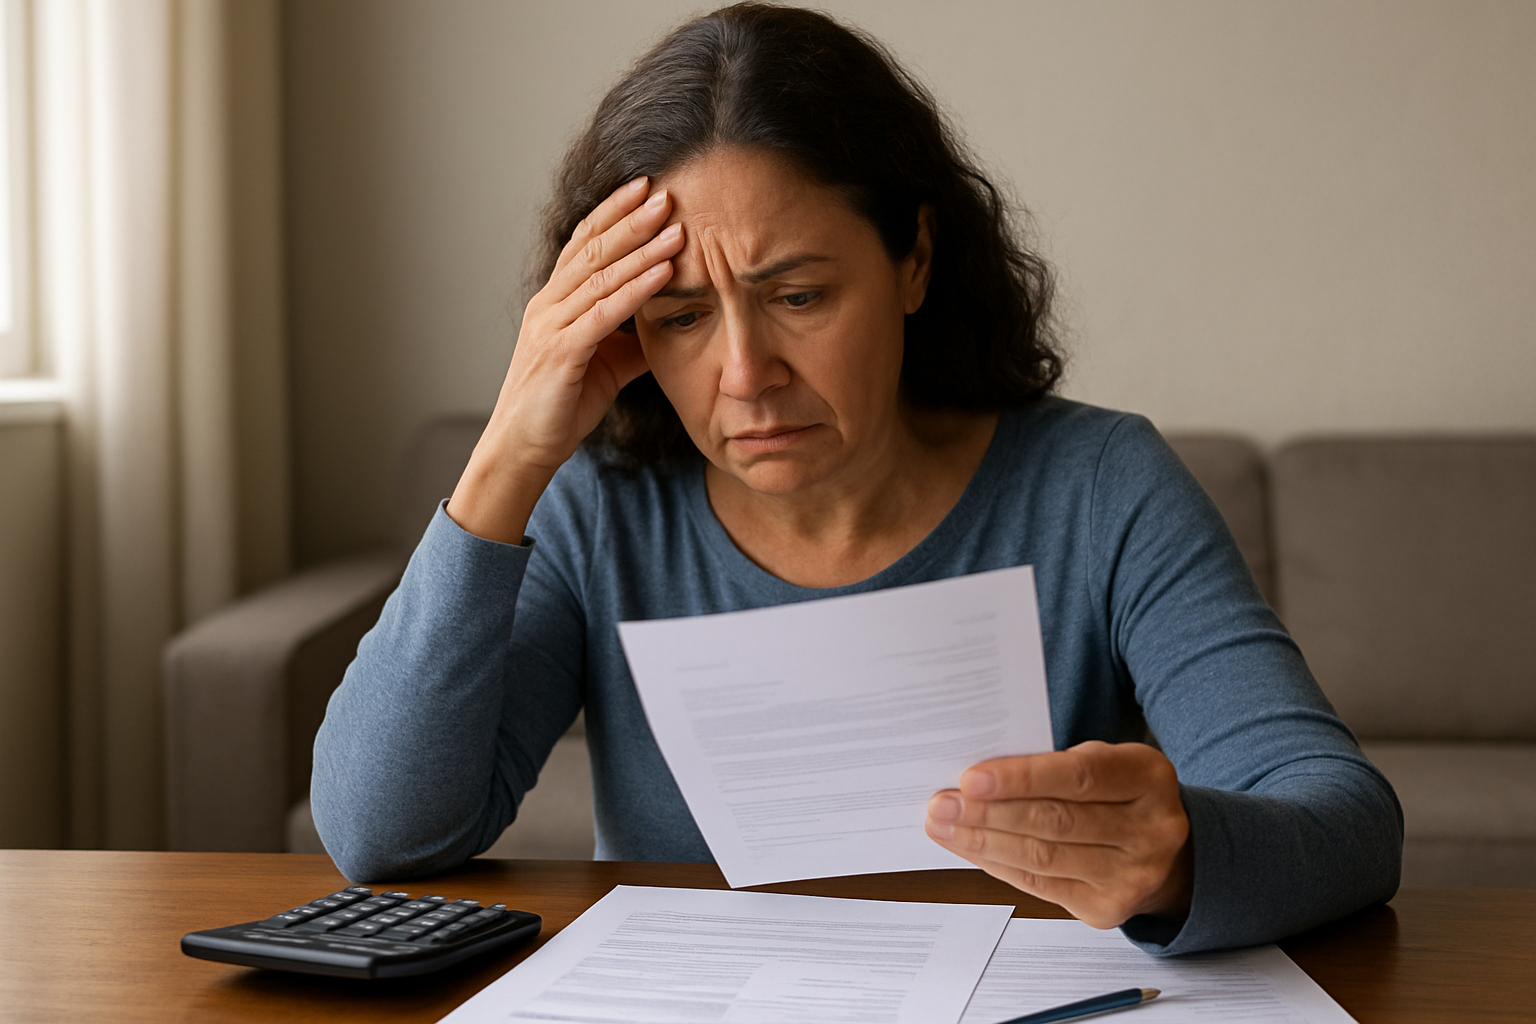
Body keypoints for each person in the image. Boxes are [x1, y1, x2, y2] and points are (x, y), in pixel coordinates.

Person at [312, 3, 1401, 955]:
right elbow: (379, 833)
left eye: (797, 297)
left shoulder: (1098, 486)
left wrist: (1175, 861)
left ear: (915, 259)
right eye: (682, 317)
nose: (744, 376)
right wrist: (510, 455)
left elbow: (1345, 819)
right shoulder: (601, 507)